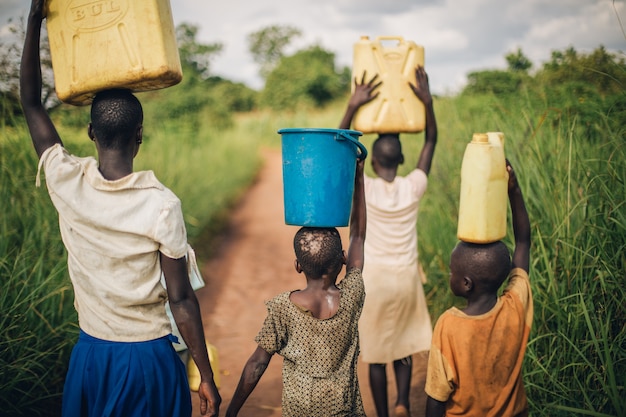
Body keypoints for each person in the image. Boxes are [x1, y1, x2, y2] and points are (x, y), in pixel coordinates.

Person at [19, 1, 221, 416]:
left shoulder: (67, 181)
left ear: (91, 132)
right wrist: (206, 377)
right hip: (148, 359)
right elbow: (181, 300)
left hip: (90, 355)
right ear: (139, 136)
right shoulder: (162, 205)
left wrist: (35, 20)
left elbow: (32, 105)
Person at [225, 158, 367, 417]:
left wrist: (231, 411)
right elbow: (358, 236)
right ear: (343, 260)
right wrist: (358, 178)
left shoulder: (283, 309)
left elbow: (257, 363)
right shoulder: (352, 295)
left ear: (297, 266)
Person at [339, 66, 437, 417]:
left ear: (372, 160)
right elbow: (430, 142)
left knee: (376, 354)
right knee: (404, 346)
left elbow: (341, 146)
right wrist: (427, 101)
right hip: (408, 277)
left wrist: (353, 104)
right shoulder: (413, 187)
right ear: (401, 160)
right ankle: (401, 404)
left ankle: (384, 413)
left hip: (375, 280)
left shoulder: (365, 187)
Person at [424, 161, 532, 417]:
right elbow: (524, 243)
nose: (450, 274)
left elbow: (436, 398)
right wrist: (513, 190)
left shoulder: (448, 326)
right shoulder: (516, 304)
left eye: (453, 271)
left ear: (466, 284)